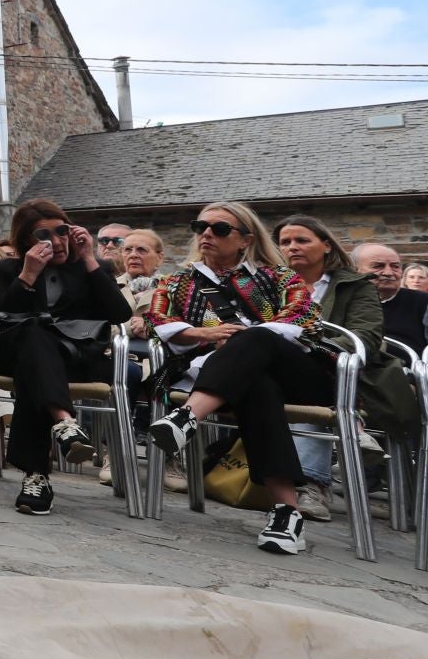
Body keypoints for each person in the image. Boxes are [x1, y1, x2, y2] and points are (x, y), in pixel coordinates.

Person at [147, 202, 327, 555]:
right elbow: (157, 320)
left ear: (246, 239)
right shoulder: (177, 282)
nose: (206, 234)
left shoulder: (278, 277)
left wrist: (243, 338)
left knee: (256, 339)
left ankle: (186, 418)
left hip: (296, 375)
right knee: (258, 387)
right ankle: (286, 514)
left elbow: (302, 317)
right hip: (223, 377)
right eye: (200, 227)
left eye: (219, 229)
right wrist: (204, 333)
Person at [0, 199, 130, 515]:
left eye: (61, 231)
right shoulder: (10, 269)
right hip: (15, 353)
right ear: (26, 241)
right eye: (43, 235)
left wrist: (89, 259)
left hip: (74, 358)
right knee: (34, 334)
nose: (56, 241)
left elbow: (119, 313)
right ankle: (65, 423)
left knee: (35, 374)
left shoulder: (92, 267)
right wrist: (28, 275)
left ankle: (36, 476)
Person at [275, 215, 386, 523]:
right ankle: (351, 428)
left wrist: (311, 347)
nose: (292, 247)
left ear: (326, 245)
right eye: (285, 242)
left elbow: (366, 336)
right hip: (278, 366)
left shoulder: (356, 285)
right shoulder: (270, 285)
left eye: (302, 240)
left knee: (311, 378)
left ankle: (311, 484)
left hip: (337, 368)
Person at [111, 228, 188, 492]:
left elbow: (188, 324)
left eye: (141, 250)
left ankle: (169, 457)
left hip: (162, 358)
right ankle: (114, 452)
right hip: (118, 356)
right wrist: (129, 328)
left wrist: (155, 325)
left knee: (168, 376)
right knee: (124, 373)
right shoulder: (109, 286)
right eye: (128, 250)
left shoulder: (175, 288)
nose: (133, 255)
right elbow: (94, 327)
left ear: (159, 256)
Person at [354, 243, 428, 355]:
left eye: (395, 266)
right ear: (355, 270)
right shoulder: (343, 301)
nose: (388, 273)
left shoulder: (423, 301)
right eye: (378, 266)